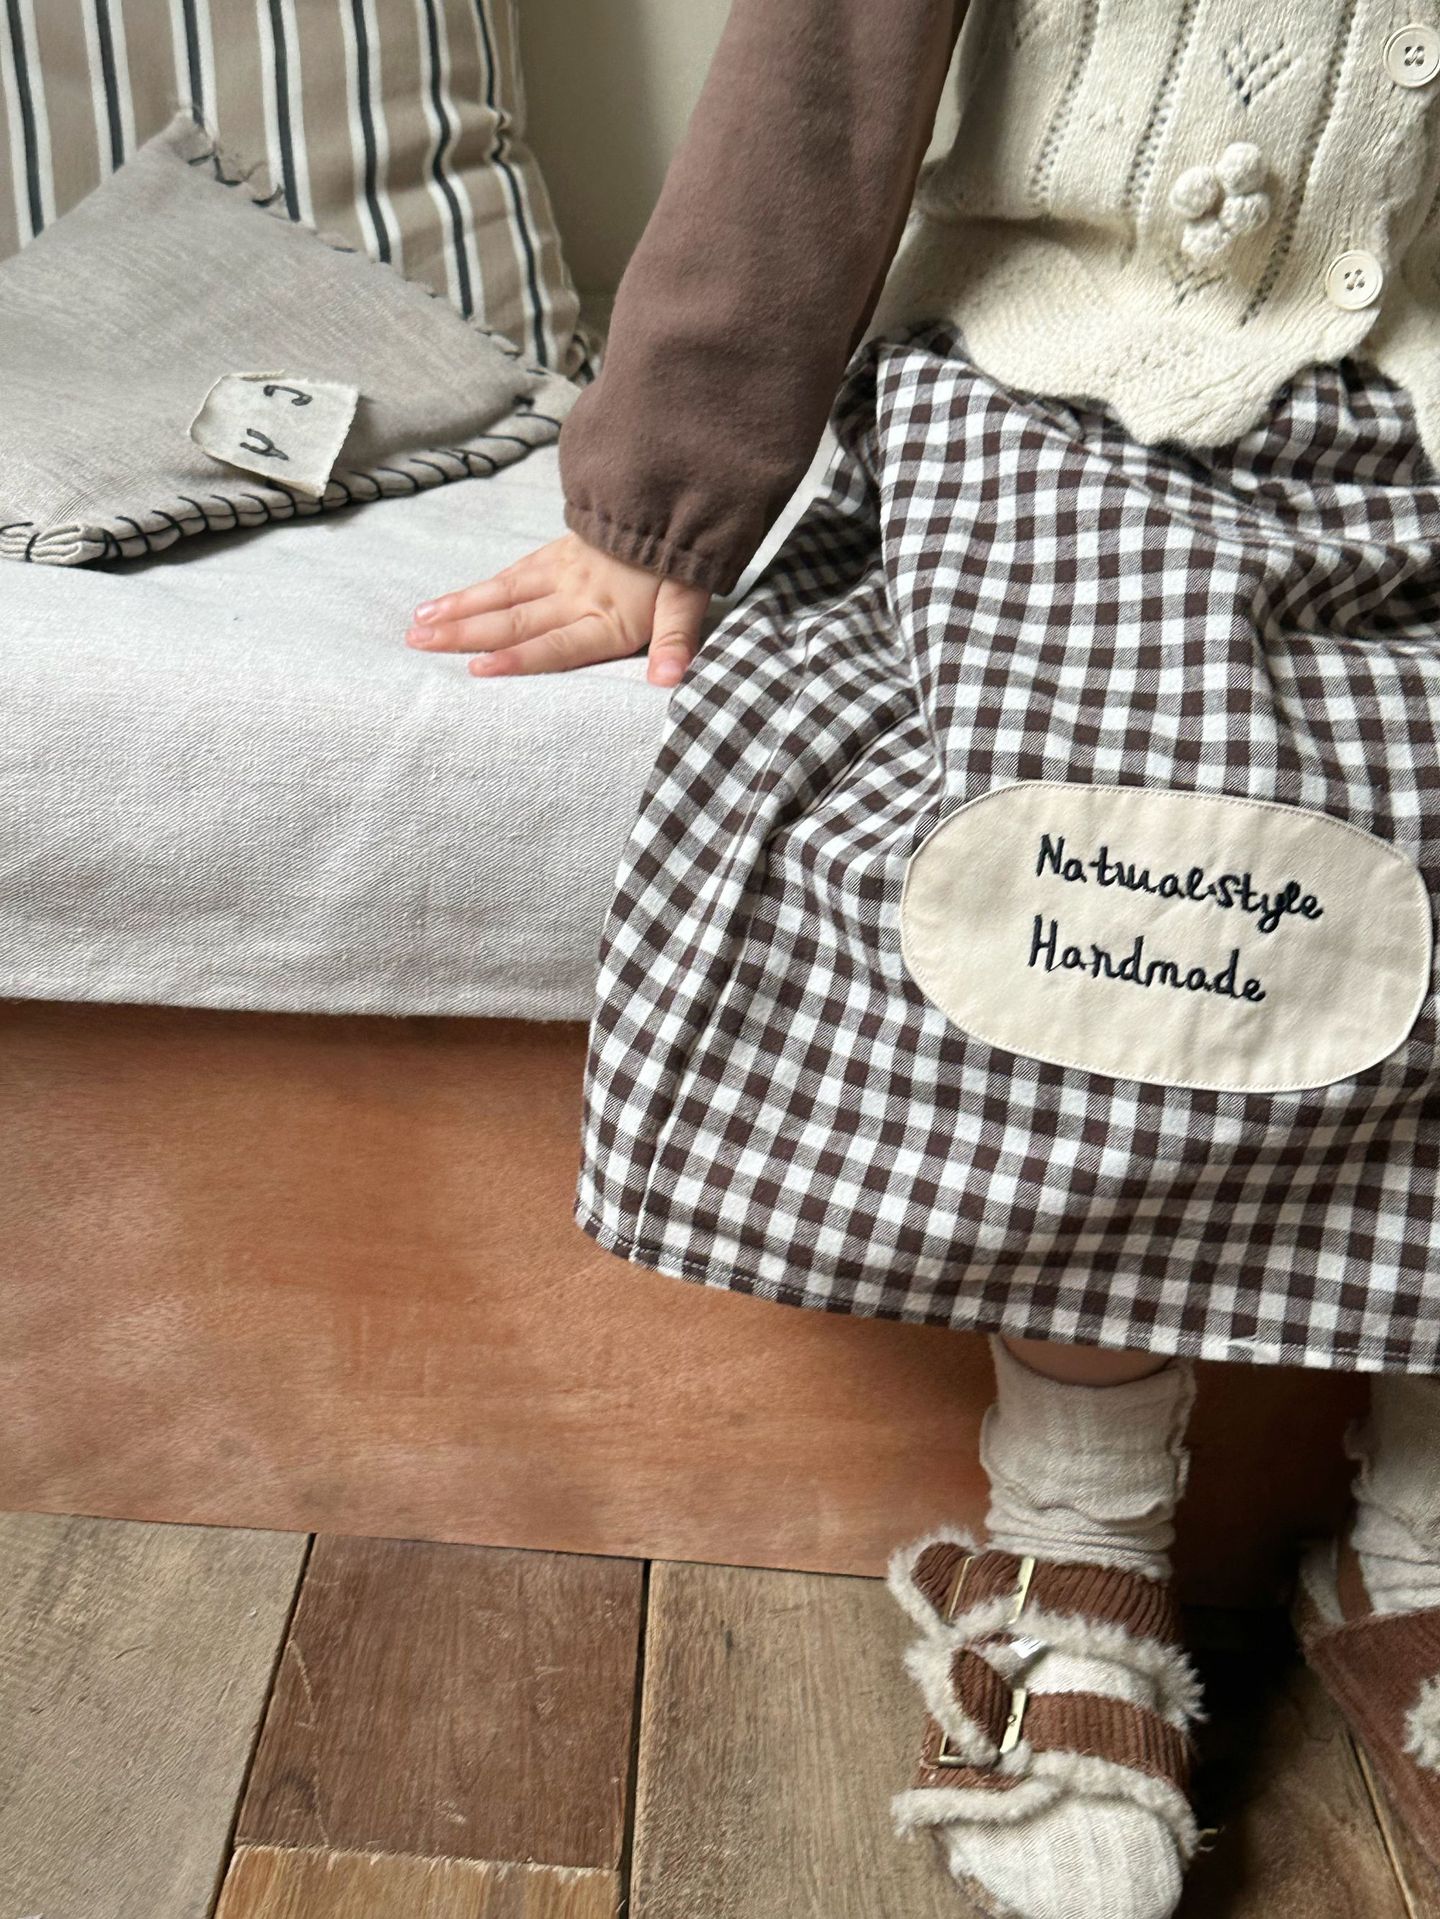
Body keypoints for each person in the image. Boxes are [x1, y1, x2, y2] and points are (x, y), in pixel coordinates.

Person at [404, 3, 1440, 1913]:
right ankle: (1078, 1534)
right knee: (1133, 882)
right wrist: (664, 497)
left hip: (1420, 424)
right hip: (1086, 383)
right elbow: (812, 87)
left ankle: (1420, 1541)